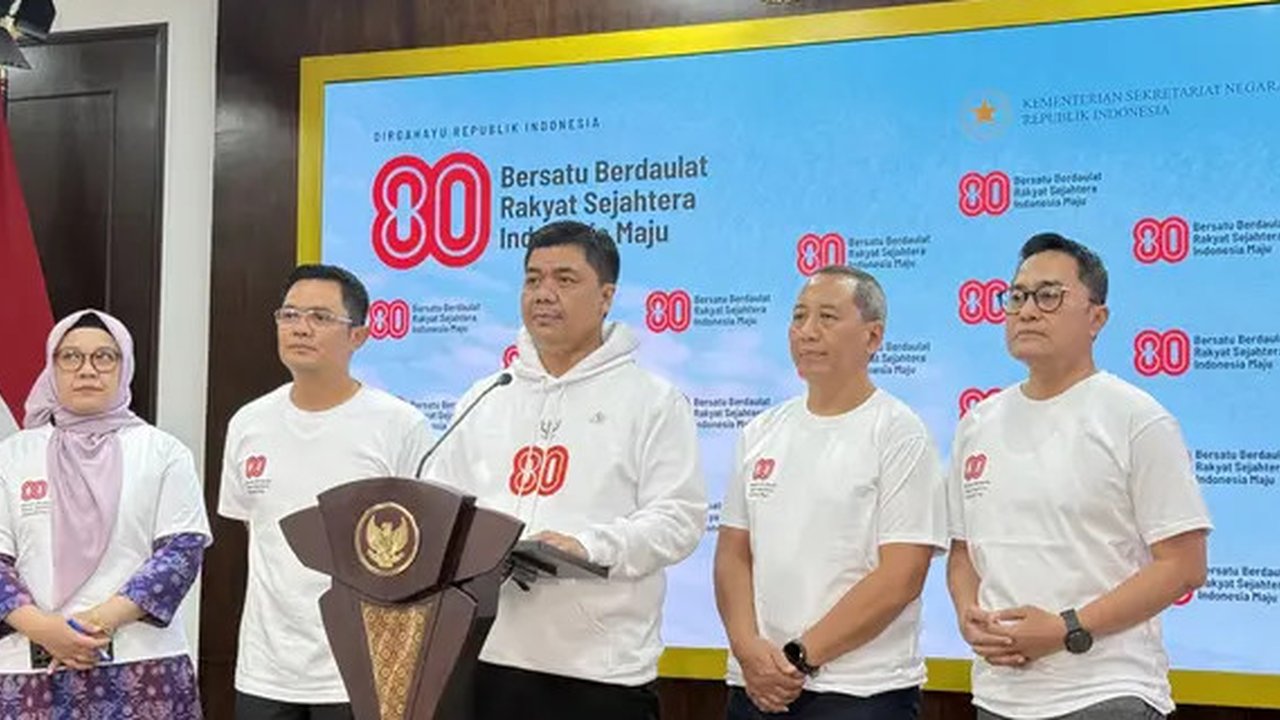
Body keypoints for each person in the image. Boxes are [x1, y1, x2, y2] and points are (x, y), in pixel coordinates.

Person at [426, 220, 706, 720]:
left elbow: (678, 520)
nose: (543, 293)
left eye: (565, 279)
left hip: (600, 672)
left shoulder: (653, 402)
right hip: (488, 655)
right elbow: (442, 504)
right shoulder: (487, 395)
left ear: (606, 297)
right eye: (533, 279)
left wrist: (588, 547)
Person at [946, 233, 1211, 719]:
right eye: (1017, 296)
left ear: (1096, 318)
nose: (1027, 311)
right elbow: (963, 551)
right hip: (998, 696)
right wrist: (968, 615)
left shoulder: (1135, 418)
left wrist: (1068, 627)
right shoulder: (977, 423)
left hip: (1105, 691)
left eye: (1048, 296)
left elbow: (1183, 565)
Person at [714, 265, 945, 720]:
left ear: (873, 337)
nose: (807, 331)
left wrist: (799, 657)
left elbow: (901, 574)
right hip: (755, 685)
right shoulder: (761, 431)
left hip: (861, 692)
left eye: (827, 317)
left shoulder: (899, 432)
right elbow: (733, 553)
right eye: (799, 316)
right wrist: (746, 648)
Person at [220, 264, 435, 720]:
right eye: (289, 315)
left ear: (358, 336)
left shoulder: (399, 424)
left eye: (320, 317)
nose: (300, 328)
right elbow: (254, 532)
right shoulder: (248, 422)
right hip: (265, 669)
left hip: (359, 670)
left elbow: (420, 554)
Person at [0, 309, 211, 717]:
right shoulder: (12, 456)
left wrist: (88, 626)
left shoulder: (163, 452)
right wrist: (47, 631)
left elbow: (181, 553)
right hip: (29, 670)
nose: (87, 370)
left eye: (104, 357)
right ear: (52, 367)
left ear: (124, 366)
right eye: (71, 357)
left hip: (144, 668)